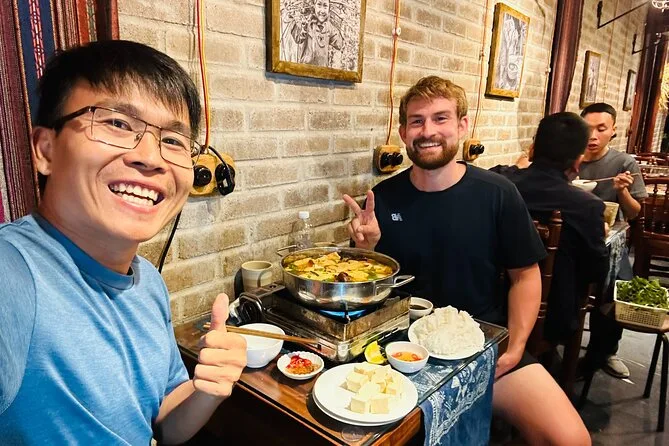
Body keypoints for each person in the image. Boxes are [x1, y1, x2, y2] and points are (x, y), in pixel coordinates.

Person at [0, 40, 247, 443]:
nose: (151, 157)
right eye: (117, 123)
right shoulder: (13, 273)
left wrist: (208, 389)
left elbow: (161, 422)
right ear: (45, 150)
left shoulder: (147, 281)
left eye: (173, 140)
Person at [343, 76, 591, 445]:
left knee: (569, 439)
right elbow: (367, 287)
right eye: (417, 121)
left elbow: (525, 276)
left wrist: (516, 347)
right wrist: (367, 249)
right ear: (403, 132)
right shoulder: (383, 197)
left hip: (479, 342)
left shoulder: (498, 193)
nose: (428, 131)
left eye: (440, 118)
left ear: (462, 126)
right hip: (399, 346)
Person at [491, 112, 609, 345]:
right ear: (578, 161)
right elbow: (595, 271)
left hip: (487, 300)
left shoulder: (497, 181)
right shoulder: (586, 206)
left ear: (532, 149)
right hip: (551, 317)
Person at [579, 102, 647, 379]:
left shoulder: (624, 163)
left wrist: (623, 192)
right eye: (587, 128)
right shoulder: (571, 157)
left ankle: (605, 352)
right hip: (577, 240)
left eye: (601, 129)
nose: (593, 136)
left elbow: (634, 213)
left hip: (610, 242)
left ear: (613, 131)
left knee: (618, 285)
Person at [291, 0, 343, 67]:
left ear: (329, 8)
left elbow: (340, 45)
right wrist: (294, 19)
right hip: (305, 68)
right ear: (314, 6)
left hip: (322, 70)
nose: (322, 11)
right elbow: (298, 38)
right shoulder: (307, 23)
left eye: (325, 6)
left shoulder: (330, 27)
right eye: (319, 5)